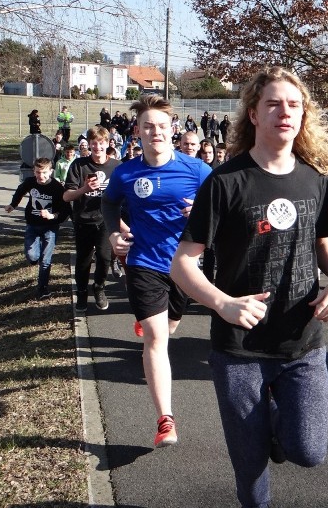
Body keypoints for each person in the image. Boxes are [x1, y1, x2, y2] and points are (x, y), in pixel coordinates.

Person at [170, 65, 328, 508]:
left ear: (303, 114)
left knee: (308, 451)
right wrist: (222, 303)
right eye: (273, 104)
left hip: (301, 341)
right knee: (250, 468)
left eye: (293, 104)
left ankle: (271, 420)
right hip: (238, 348)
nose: (284, 112)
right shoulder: (224, 182)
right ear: (253, 113)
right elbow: (183, 264)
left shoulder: (315, 176)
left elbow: (322, 239)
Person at [102, 94, 211, 448]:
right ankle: (166, 419)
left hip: (184, 266)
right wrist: (115, 231)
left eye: (162, 126)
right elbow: (108, 201)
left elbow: (222, 207)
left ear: (172, 129)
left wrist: (202, 212)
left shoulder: (196, 170)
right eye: (148, 126)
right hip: (144, 264)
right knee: (156, 339)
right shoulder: (127, 171)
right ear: (139, 130)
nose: (156, 132)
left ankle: (156, 322)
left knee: (171, 327)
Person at [64, 126, 121, 313]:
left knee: (105, 258)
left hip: (106, 220)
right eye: (94, 143)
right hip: (83, 220)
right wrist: (84, 190)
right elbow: (66, 196)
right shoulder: (79, 165)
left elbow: (125, 196)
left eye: (101, 143)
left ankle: (99, 287)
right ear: (88, 144)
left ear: (108, 143)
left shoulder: (117, 166)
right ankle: (81, 292)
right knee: (83, 261)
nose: (97, 147)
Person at [4, 157, 70, 299]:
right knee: (32, 256)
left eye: (44, 172)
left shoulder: (57, 188)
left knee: (45, 260)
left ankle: (43, 289)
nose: (41, 176)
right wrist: (13, 205)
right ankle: (34, 258)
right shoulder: (30, 182)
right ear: (33, 171)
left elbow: (65, 210)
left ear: (51, 172)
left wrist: (53, 216)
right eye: (38, 172)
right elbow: (20, 191)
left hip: (50, 228)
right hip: (32, 225)